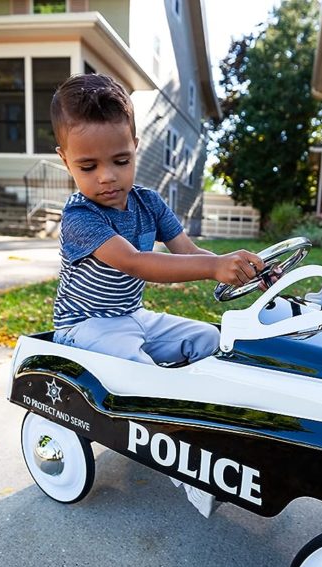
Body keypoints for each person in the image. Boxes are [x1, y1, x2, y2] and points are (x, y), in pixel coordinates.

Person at [49, 73, 264, 516]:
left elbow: (189, 251)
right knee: (144, 375)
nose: (107, 177)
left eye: (120, 160)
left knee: (210, 339)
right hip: (84, 327)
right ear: (65, 160)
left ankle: (222, 425)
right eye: (88, 166)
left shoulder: (149, 202)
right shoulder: (79, 217)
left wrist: (241, 271)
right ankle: (192, 473)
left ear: (135, 147)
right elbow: (135, 262)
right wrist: (211, 267)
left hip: (133, 315)